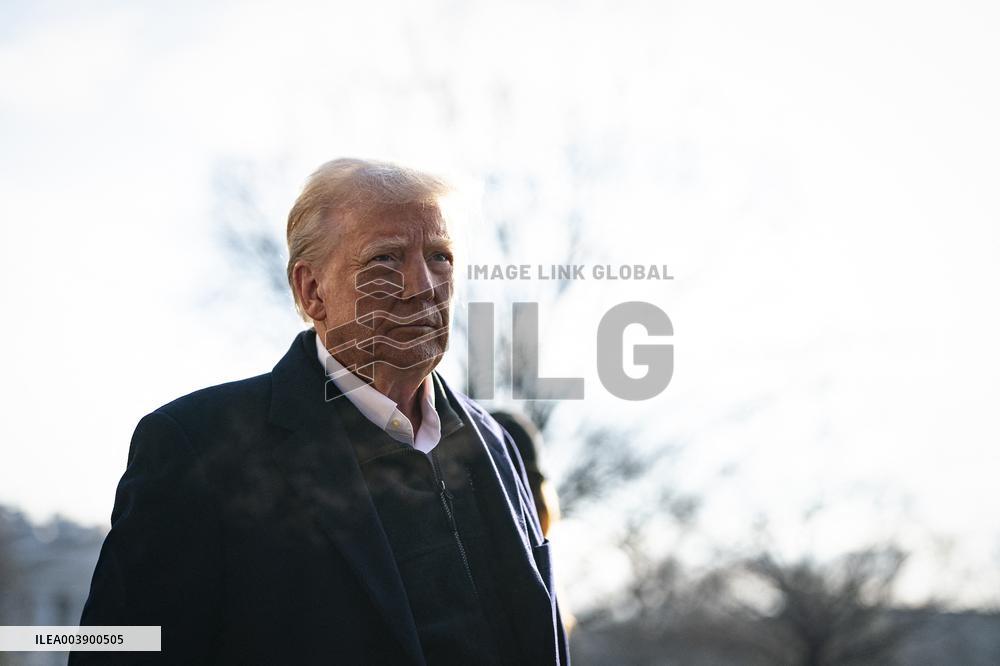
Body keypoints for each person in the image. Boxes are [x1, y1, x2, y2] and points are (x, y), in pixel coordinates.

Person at [73, 158, 570, 665]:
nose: (422, 286)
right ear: (312, 290)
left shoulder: (499, 445)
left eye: (440, 257)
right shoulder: (197, 445)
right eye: (385, 260)